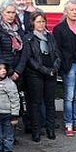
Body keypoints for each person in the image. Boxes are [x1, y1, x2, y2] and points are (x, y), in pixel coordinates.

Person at [53, 0, 76, 137]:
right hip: (69, 67)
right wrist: (63, 65)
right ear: (66, 12)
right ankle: (69, 124)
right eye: (71, 10)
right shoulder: (59, 29)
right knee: (69, 97)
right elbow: (57, 50)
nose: (74, 12)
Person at [0, 0, 27, 131]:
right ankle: (5, 133)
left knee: (15, 103)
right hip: (4, 72)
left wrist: (18, 71)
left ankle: (13, 131)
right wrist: (9, 72)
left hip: (18, 71)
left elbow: (25, 51)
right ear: (1, 13)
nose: (11, 15)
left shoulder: (18, 28)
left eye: (13, 13)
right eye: (8, 12)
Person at [22, 12, 61, 141]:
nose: (41, 24)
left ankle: (50, 130)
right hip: (35, 74)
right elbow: (30, 59)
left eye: (43, 22)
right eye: (38, 22)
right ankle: (36, 131)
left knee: (50, 103)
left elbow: (56, 54)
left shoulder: (50, 37)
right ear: (33, 23)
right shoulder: (28, 38)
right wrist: (44, 70)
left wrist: (54, 68)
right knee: (36, 103)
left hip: (51, 73)